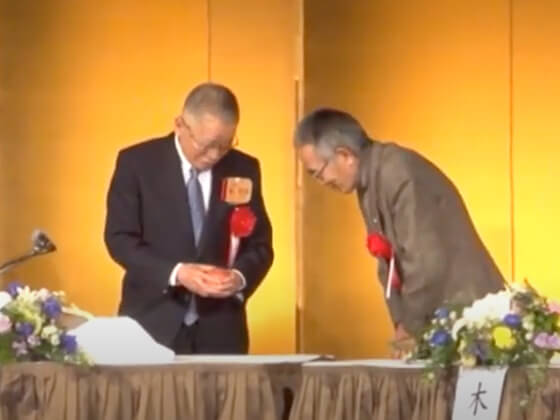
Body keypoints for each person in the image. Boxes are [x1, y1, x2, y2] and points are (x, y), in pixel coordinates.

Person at [294, 107, 505, 351]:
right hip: (439, 319)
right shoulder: (370, 180)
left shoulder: (398, 171)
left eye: (317, 173)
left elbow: (424, 261)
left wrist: (410, 328)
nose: (321, 182)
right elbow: (388, 264)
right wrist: (401, 325)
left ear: (345, 155)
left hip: (471, 317)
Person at [104, 83, 273, 354]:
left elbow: (260, 245)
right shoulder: (137, 163)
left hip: (220, 330)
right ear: (180, 125)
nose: (214, 155)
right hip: (151, 322)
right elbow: (120, 239)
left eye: (225, 145)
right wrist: (178, 273)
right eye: (206, 145)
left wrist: (239, 277)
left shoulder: (244, 167)